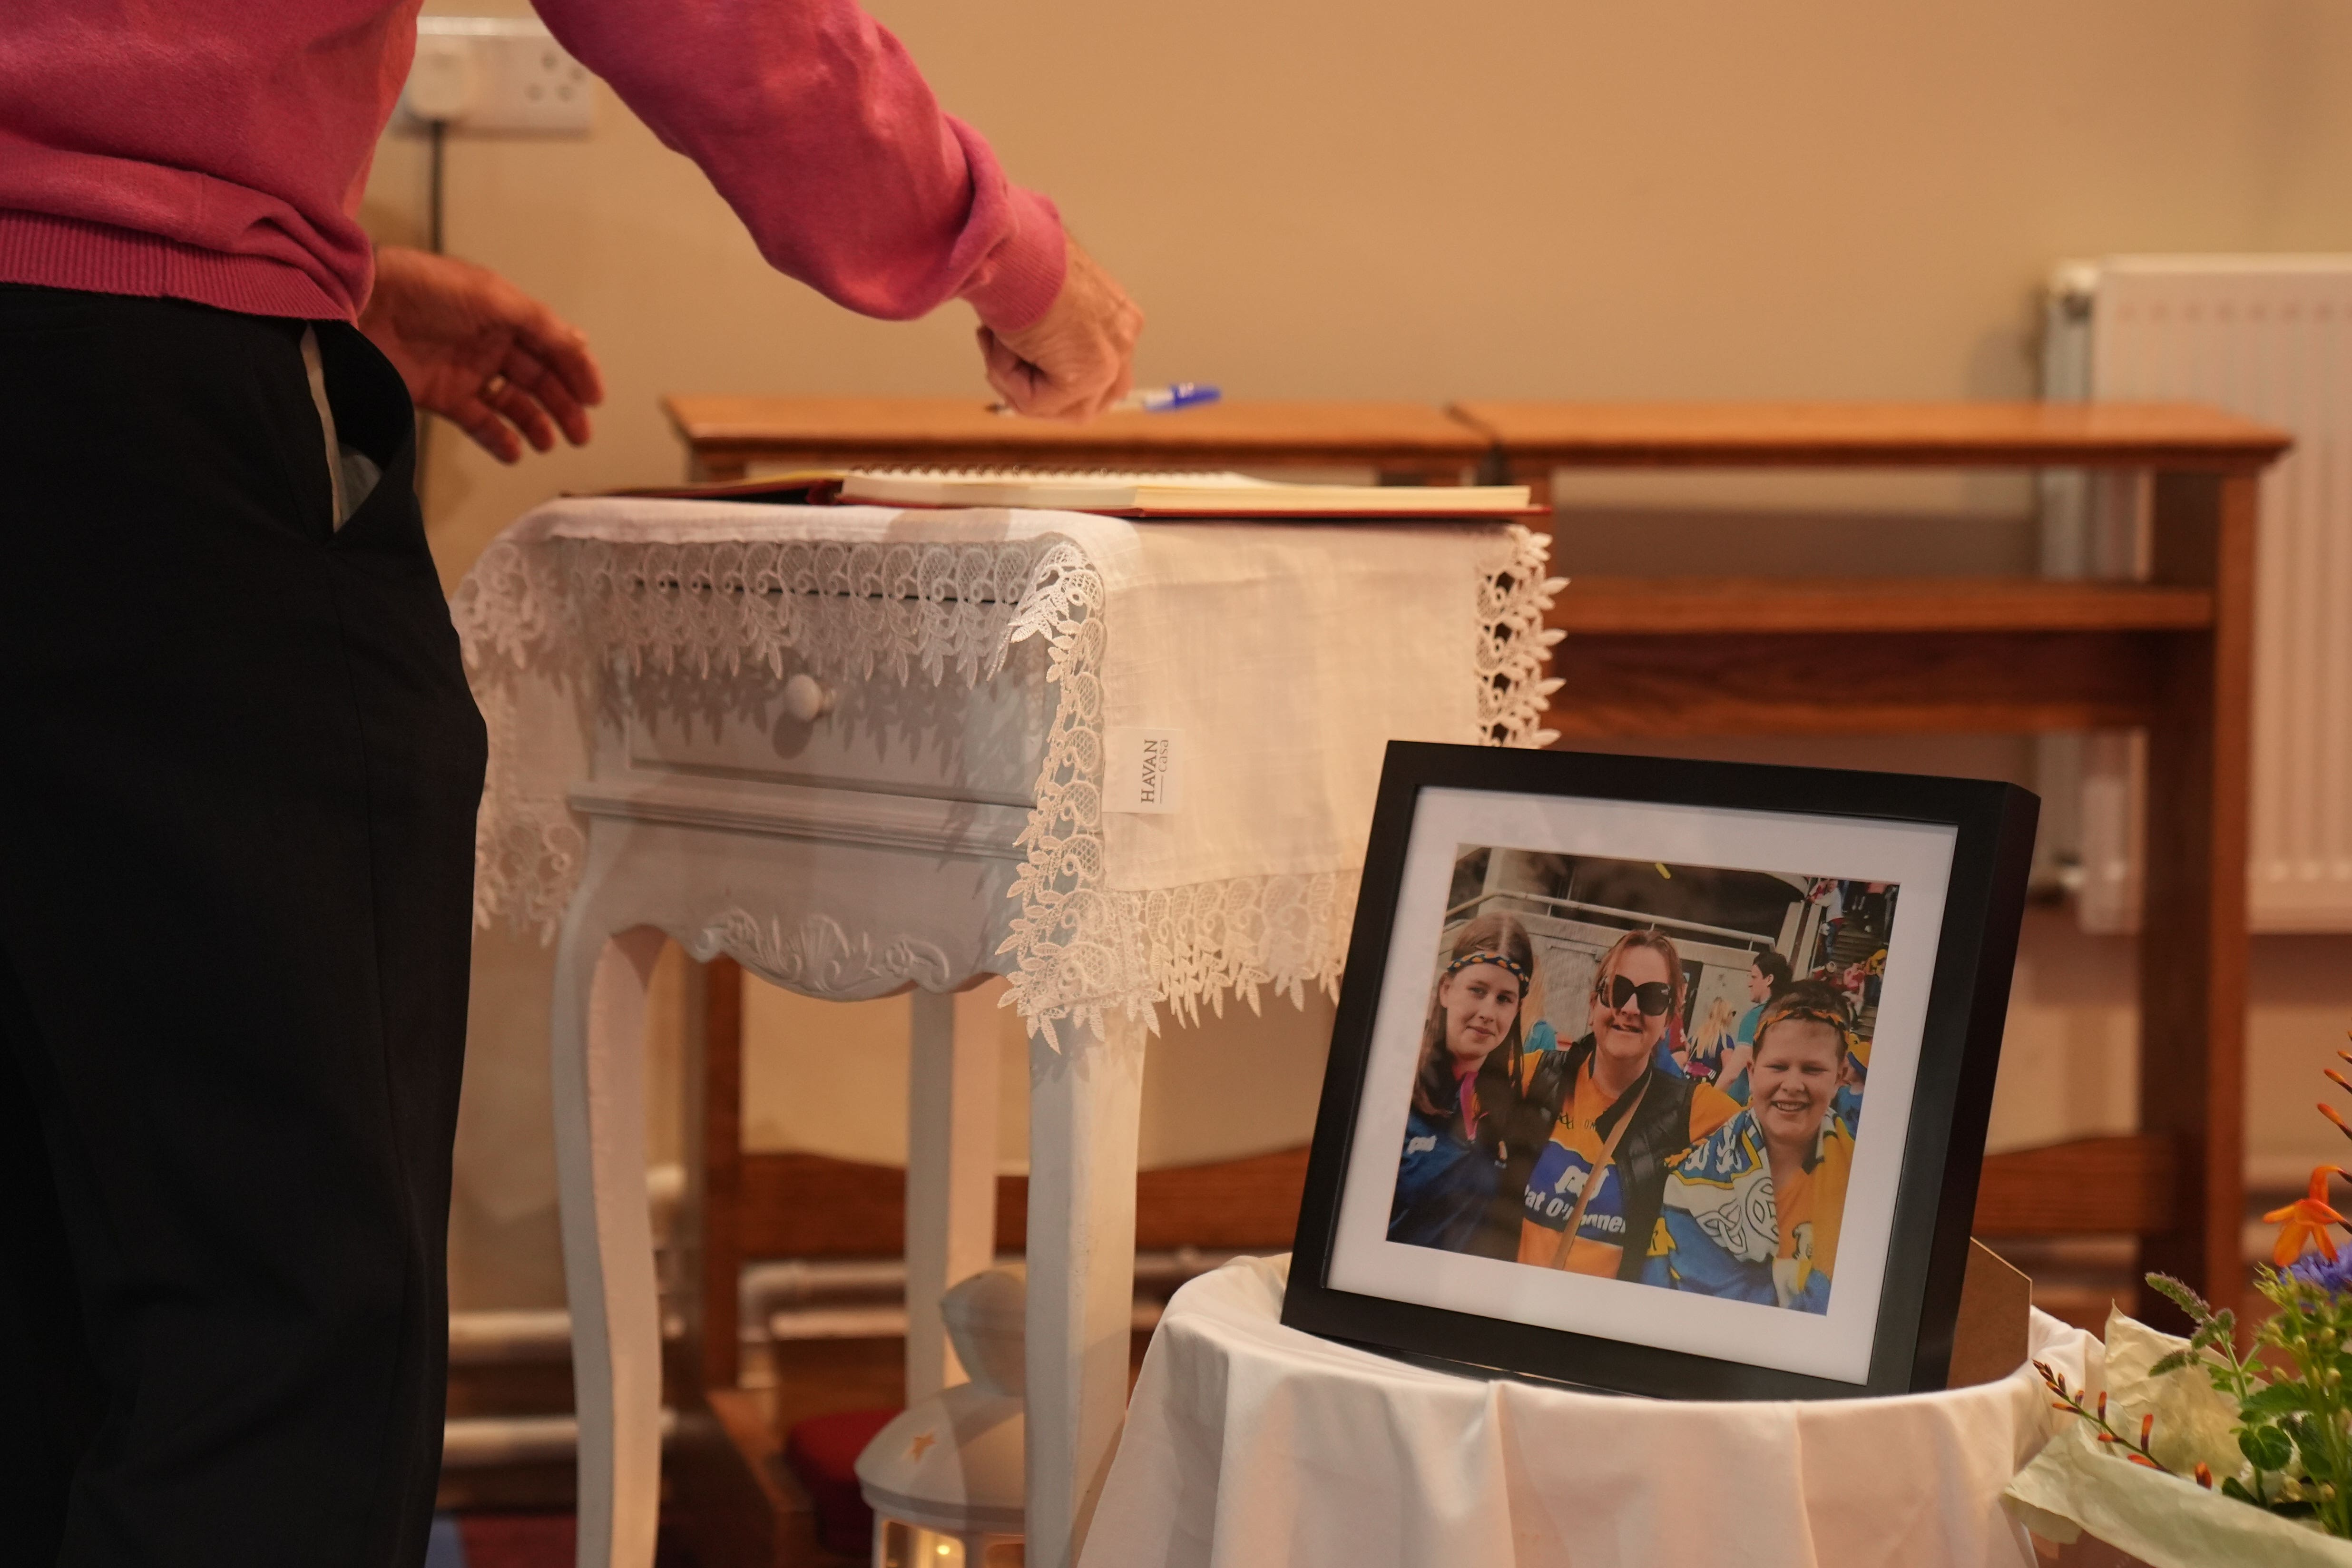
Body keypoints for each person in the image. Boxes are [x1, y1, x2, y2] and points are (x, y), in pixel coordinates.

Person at [0, 6, 1140, 1564]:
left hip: (120, 332)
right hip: (142, 439)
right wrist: (1008, 251)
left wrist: (322, 272)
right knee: (272, 1304)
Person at [1513, 931, 1742, 1279]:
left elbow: (1781, 1143)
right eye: (1618, 990)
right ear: (1593, 1005)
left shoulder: (1690, 1108)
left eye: (1652, 997)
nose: (1631, 1009)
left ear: (1668, 1021)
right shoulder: (1537, 1076)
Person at [1642, 982, 1856, 1312]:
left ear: (1841, 1077)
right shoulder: (1692, 1179)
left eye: (1813, 1069)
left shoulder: (1866, 1188)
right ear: (1753, 1072)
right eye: (1778, 1067)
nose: (1793, 1085)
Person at [1390, 913, 1538, 1257]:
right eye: (1478, 990)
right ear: (1446, 989)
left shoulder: (1512, 1105)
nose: (1488, 1011)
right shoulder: (1395, 1094)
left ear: (1517, 1009)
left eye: (1504, 999)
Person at [1717, 949, 1791, 1106]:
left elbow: (1734, 1072)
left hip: (1739, 1107)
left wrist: (1710, 1098)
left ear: (1769, 979)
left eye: (1754, 977)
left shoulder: (1757, 1017)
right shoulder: (1788, 1015)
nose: (1750, 983)